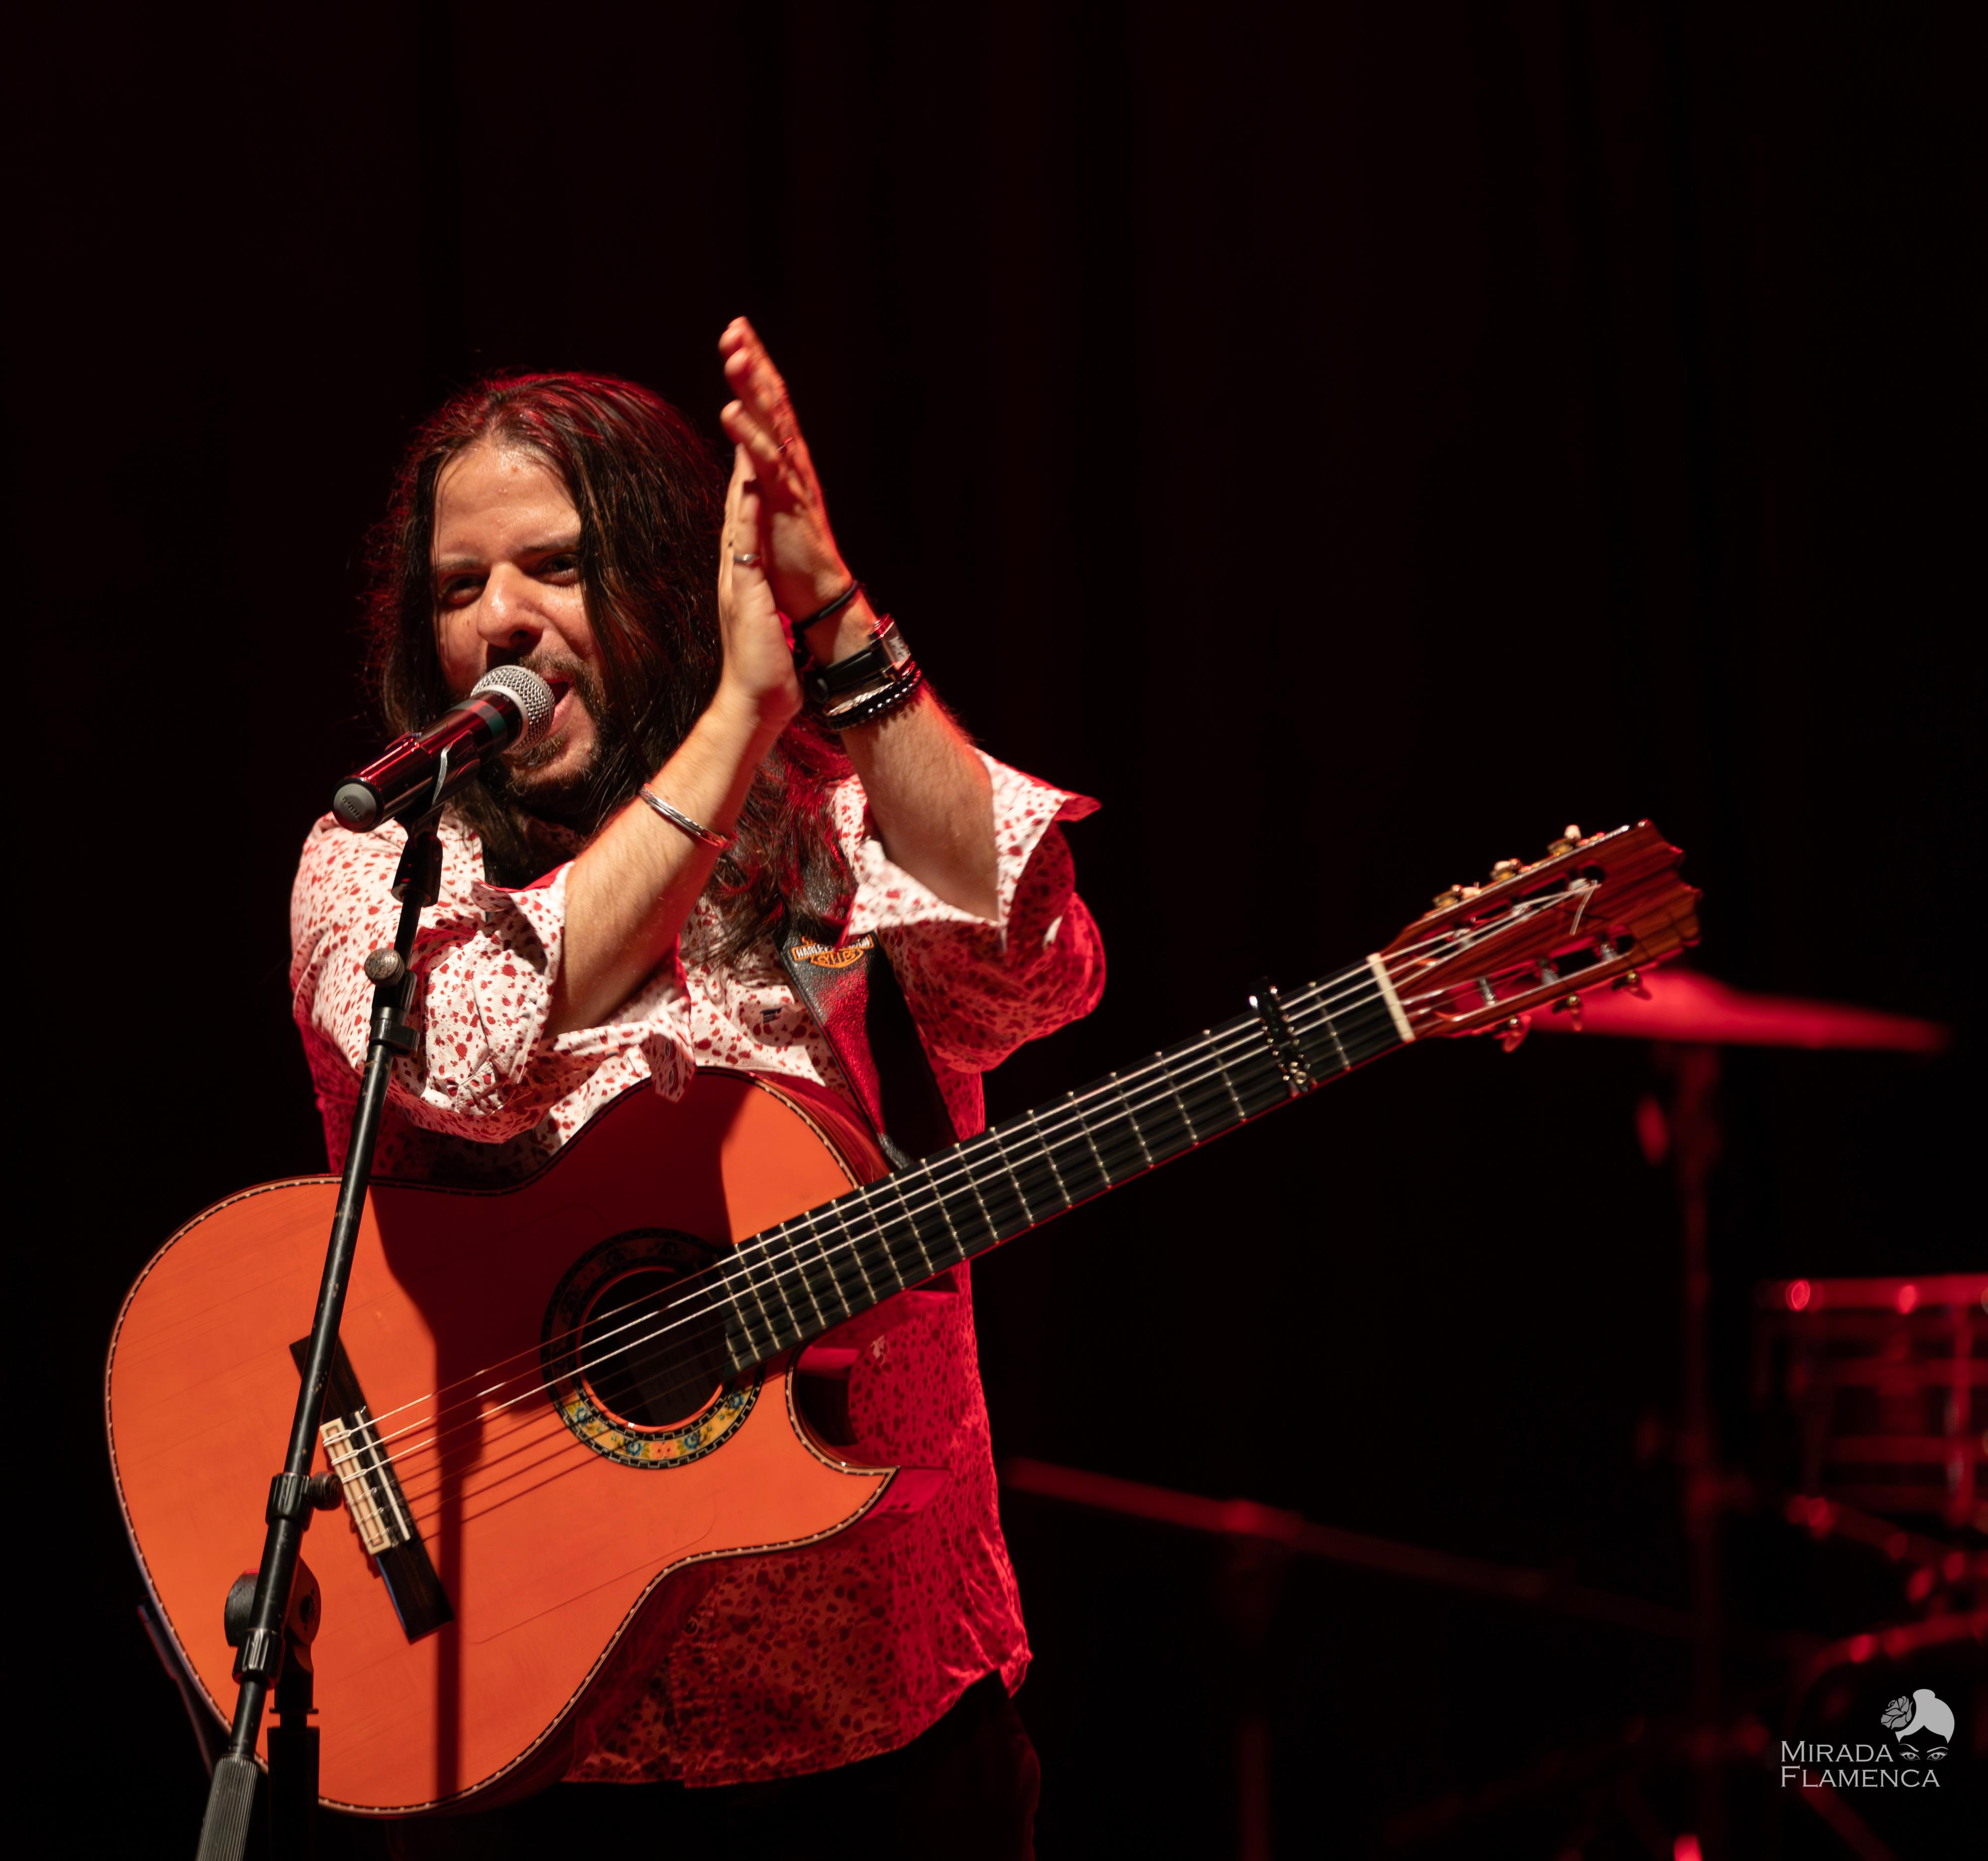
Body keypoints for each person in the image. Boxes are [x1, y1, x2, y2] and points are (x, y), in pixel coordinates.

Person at [290, 320, 1104, 1860]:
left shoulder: (838, 828)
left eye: (556, 568)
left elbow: (1035, 962)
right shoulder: (387, 865)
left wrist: (836, 618)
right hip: (512, 1721)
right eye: (461, 588)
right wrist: (735, 720)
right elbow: (474, 1060)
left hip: (881, 1715)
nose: (503, 623)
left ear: (674, 590)